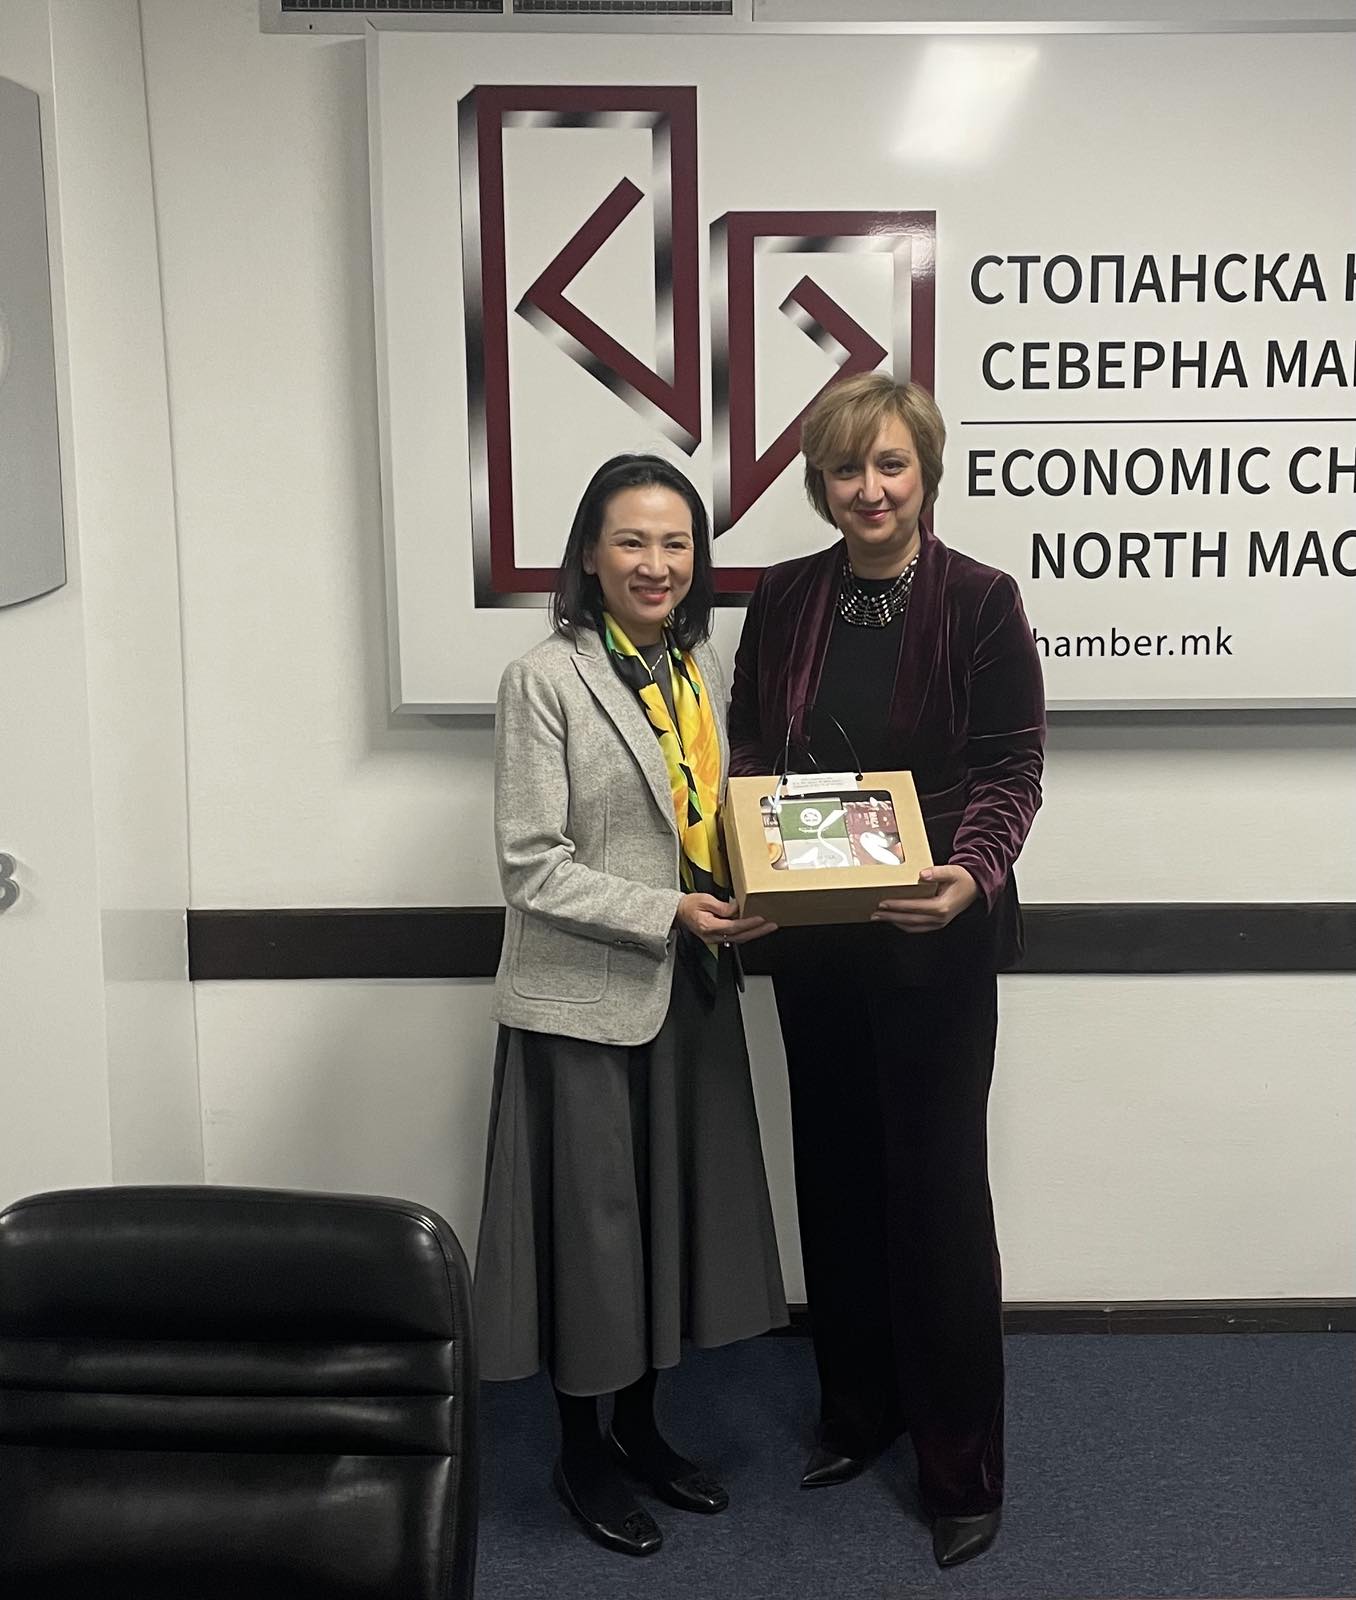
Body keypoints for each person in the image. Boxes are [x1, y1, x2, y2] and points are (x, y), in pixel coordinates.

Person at [727, 373, 1045, 1569]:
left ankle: (961, 1465)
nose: (871, 489)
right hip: (814, 942)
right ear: (820, 483)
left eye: (891, 464)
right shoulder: (785, 598)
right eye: (847, 468)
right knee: (840, 1180)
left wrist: (969, 874)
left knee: (939, 1198)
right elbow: (750, 746)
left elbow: (1012, 768)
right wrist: (750, 865)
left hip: (934, 941)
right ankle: (859, 1411)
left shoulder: (980, 600)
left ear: (926, 472)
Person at [475, 453, 786, 1560]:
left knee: (665, 1227)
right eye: (632, 541)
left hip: (689, 992)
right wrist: (670, 911)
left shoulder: (697, 669)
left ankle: (644, 1429)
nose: (657, 564)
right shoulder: (544, 679)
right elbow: (532, 866)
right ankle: (581, 1452)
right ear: (590, 556)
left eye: (677, 542)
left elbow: (710, 815)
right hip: (585, 1005)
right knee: (593, 1240)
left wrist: (764, 883)